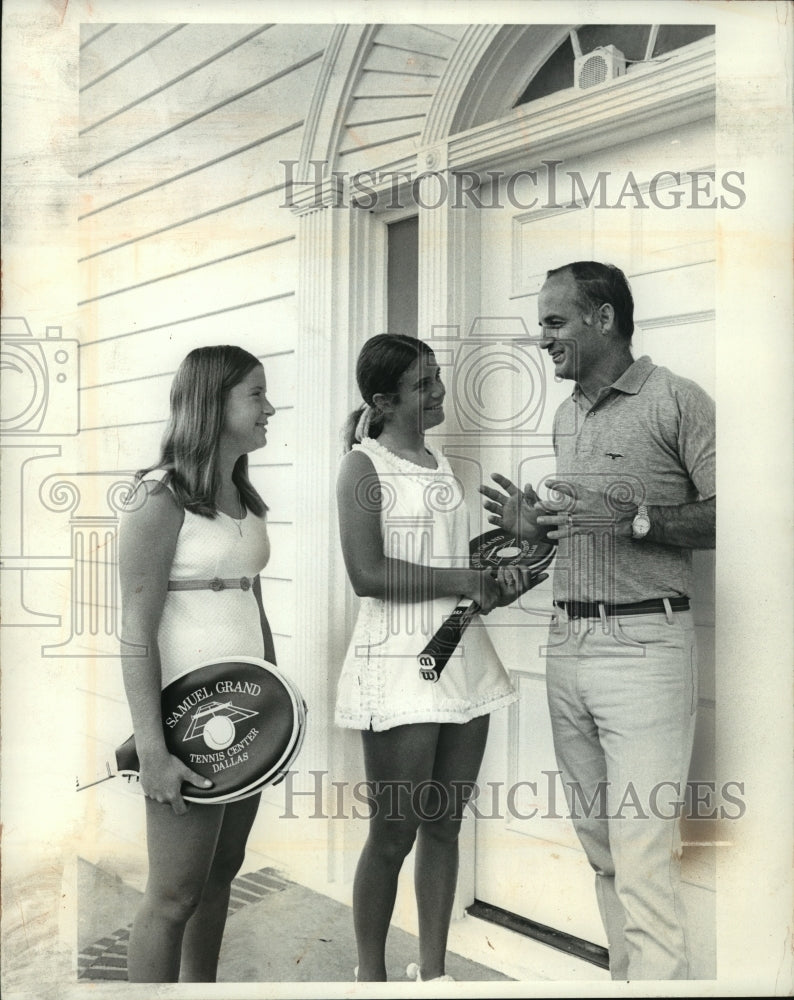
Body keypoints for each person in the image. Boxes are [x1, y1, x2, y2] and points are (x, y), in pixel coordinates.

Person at [480, 261, 716, 981]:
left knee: (643, 859)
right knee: (604, 850)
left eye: (555, 322)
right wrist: (536, 531)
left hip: (644, 648)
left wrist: (637, 517)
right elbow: (582, 527)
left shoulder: (677, 399)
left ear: (603, 319)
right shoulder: (565, 414)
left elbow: (733, 513)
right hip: (568, 644)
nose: (541, 337)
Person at [335, 333, 547, 983]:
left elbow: (469, 578)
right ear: (383, 400)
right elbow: (368, 573)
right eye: (424, 384)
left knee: (445, 826)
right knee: (395, 832)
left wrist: (522, 554)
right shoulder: (362, 467)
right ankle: (370, 977)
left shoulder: (449, 470)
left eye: (438, 379)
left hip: (460, 658)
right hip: (396, 664)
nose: (439, 393)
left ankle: (432, 975)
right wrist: (463, 580)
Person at [117, 345, 277, 982]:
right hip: (185, 727)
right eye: (256, 395)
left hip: (246, 720)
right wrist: (154, 751)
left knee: (221, 875)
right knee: (173, 895)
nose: (270, 408)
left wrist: (278, 707)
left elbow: (252, 603)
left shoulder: (245, 498)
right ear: (214, 405)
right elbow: (134, 629)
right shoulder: (159, 500)